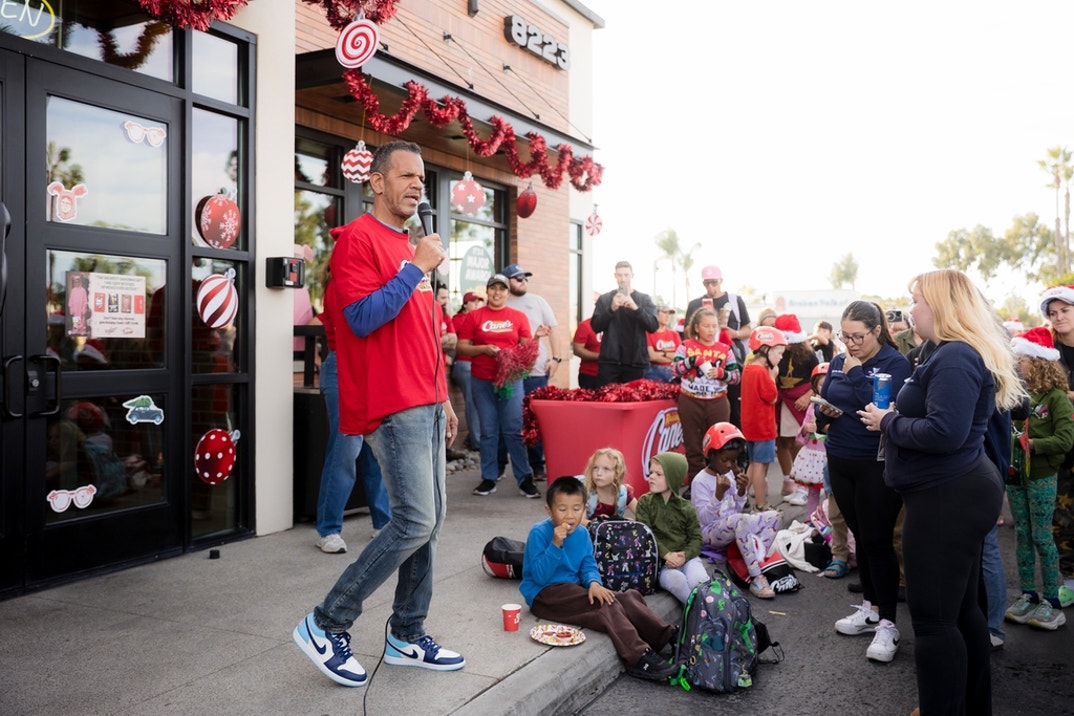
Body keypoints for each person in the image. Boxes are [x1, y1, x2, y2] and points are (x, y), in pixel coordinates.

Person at [293, 141, 465, 688]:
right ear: (377, 183)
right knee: (413, 521)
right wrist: (416, 270)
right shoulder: (358, 240)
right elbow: (361, 318)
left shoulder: (411, 246)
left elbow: (421, 333)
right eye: (406, 175)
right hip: (392, 405)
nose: (417, 185)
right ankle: (327, 622)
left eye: (421, 178)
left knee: (430, 523)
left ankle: (408, 634)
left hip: (425, 402)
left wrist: (443, 397)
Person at [860, 269, 1026, 714]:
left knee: (934, 622)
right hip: (952, 490)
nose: (910, 308)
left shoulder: (954, 356)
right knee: (961, 611)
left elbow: (944, 433)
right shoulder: (948, 352)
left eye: (916, 299)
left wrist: (889, 421)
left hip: (946, 496)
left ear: (940, 306)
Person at [815, 300, 911, 665]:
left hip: (875, 462)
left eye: (858, 337)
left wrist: (856, 374)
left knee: (877, 539)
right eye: (846, 336)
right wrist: (824, 411)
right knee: (861, 536)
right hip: (840, 457)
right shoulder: (839, 360)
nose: (851, 344)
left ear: (877, 331)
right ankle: (871, 609)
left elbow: (880, 407)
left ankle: (888, 622)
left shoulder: (894, 363)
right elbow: (829, 401)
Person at [519, 476, 679, 681]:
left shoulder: (582, 533)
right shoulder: (539, 533)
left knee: (626, 597)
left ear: (584, 508)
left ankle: (667, 636)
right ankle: (638, 657)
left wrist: (594, 583)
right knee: (605, 606)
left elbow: (588, 564)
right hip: (544, 595)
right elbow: (540, 577)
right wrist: (555, 545)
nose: (570, 516)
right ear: (549, 510)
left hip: (572, 589)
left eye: (576, 509)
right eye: (562, 509)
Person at [314, 265, 391, 554]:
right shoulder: (341, 286)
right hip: (344, 367)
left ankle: (383, 523)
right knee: (345, 450)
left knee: (375, 449)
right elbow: (362, 325)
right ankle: (328, 529)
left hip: (371, 368)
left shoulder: (363, 283)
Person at [1003, 326, 1072, 630]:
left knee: (1042, 536)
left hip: (1042, 476)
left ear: (1038, 361)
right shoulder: (1018, 395)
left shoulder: (1056, 397)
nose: (1017, 365)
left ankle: (1052, 602)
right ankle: (1028, 594)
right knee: (1022, 534)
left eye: (1021, 360)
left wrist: (1033, 445)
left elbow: (1066, 439)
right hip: (1016, 476)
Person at [456, 273, 548, 498]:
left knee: (513, 431)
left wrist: (536, 338)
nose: (497, 293)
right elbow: (461, 346)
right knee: (488, 431)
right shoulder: (475, 316)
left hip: (511, 381)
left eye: (502, 289)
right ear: (487, 291)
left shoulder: (518, 317)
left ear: (507, 293)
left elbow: (527, 350)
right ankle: (489, 478)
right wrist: (483, 349)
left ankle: (524, 479)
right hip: (482, 380)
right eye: (493, 288)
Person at [691, 422, 779, 599]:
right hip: (710, 533)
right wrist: (718, 495)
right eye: (725, 460)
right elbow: (704, 519)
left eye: (734, 460)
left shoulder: (729, 474)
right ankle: (756, 577)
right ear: (711, 455)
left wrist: (741, 490)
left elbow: (736, 508)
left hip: (732, 525)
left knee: (773, 516)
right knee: (740, 520)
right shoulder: (700, 481)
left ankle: (754, 559)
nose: (730, 465)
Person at [504, 263, 562, 479]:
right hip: (509, 373)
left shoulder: (537, 301)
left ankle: (537, 466)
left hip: (536, 371)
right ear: (507, 281)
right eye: (518, 278)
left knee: (534, 419)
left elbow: (553, 330)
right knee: (510, 420)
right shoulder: (501, 303)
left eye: (525, 278)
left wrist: (556, 358)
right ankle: (502, 466)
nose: (523, 282)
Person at [671, 307, 741, 478]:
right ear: (696, 327)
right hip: (690, 401)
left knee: (720, 444)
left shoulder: (725, 349)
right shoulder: (685, 346)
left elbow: (736, 377)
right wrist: (692, 361)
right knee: (692, 444)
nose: (710, 330)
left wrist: (721, 373)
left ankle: (722, 481)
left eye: (714, 326)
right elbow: (674, 370)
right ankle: (696, 482)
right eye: (706, 326)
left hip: (717, 402)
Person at [635, 451, 709, 604]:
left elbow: (696, 538)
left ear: (672, 477)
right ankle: (702, 612)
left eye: (658, 474)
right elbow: (645, 535)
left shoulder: (686, 507)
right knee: (677, 581)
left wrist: (685, 555)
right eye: (651, 472)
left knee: (699, 580)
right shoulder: (645, 503)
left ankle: (703, 611)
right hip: (662, 565)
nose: (651, 477)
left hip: (687, 559)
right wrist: (666, 554)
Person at [684, 266, 752, 426]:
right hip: (703, 363)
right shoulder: (695, 304)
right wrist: (700, 323)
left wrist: (734, 333)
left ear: (721, 281)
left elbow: (748, 329)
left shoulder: (735, 300)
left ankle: (734, 440)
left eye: (714, 282)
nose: (710, 287)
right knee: (703, 410)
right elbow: (686, 334)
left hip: (730, 360)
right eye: (706, 283)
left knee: (734, 408)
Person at [1040, 284, 1074, 589]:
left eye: (1065, 310)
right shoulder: (1047, 352)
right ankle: (1070, 581)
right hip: (1058, 447)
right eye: (1053, 312)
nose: (1058, 317)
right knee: (1061, 518)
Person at [773, 313, 819, 506]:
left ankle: (803, 488)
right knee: (783, 442)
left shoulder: (808, 354)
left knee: (800, 444)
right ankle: (791, 482)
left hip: (801, 403)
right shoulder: (775, 352)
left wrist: (808, 395)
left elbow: (819, 379)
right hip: (782, 400)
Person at [740, 326, 786, 511]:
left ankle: (740, 499)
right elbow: (772, 397)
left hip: (751, 426)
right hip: (763, 427)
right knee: (760, 466)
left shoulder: (748, 368)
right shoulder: (762, 372)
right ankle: (761, 504)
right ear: (766, 349)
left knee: (753, 464)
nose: (781, 357)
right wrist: (772, 377)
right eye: (779, 353)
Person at [590, 261, 659, 386]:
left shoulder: (644, 299)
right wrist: (611, 309)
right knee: (607, 397)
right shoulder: (605, 299)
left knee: (634, 397)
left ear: (632, 276)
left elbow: (653, 326)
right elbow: (595, 326)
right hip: (610, 363)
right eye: (619, 275)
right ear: (615, 276)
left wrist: (636, 308)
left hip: (636, 363)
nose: (623, 279)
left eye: (626, 275)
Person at [791, 363, 829, 516]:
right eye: (821, 384)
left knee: (830, 492)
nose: (825, 387)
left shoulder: (836, 405)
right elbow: (802, 431)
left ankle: (829, 520)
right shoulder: (812, 405)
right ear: (815, 386)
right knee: (813, 492)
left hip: (829, 454)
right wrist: (806, 428)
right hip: (813, 454)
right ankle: (811, 519)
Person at [451, 291, 485, 451]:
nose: (477, 304)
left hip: (475, 365)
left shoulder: (478, 318)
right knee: (472, 403)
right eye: (474, 302)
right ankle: (477, 442)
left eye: (479, 302)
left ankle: (472, 438)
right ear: (465, 304)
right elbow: (456, 342)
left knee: (478, 402)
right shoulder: (458, 319)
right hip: (464, 364)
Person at [578, 447, 637, 524]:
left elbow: (642, 513)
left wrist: (627, 522)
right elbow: (580, 521)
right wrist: (603, 523)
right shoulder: (584, 490)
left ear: (617, 473)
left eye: (606, 469)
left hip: (610, 531)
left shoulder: (623, 493)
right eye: (595, 468)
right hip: (588, 531)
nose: (599, 473)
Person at [645, 304, 680, 382]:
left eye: (669, 313)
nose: (668, 316)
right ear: (656, 314)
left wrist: (664, 354)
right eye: (664, 312)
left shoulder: (674, 334)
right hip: (655, 371)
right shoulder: (648, 333)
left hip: (674, 370)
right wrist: (671, 357)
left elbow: (680, 357)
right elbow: (652, 356)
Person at [572, 316, 602, 390]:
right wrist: (601, 356)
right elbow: (577, 350)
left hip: (613, 374)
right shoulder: (585, 325)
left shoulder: (615, 325)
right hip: (590, 375)